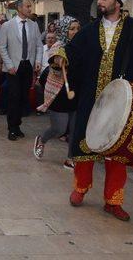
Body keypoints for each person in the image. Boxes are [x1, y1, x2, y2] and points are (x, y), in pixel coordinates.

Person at [52, 0, 133, 221]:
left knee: (118, 152)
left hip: (124, 105)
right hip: (90, 99)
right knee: (83, 147)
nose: (100, 2)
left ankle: (113, 201)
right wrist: (61, 55)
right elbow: (72, 49)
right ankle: (80, 189)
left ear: (118, 1)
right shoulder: (91, 28)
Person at [33, 16, 80, 169]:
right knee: (59, 129)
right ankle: (42, 139)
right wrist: (58, 62)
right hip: (59, 94)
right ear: (64, 30)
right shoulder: (57, 47)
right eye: (72, 29)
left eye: (77, 28)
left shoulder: (82, 46)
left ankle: (70, 158)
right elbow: (54, 60)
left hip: (77, 92)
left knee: (75, 129)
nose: (75, 31)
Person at [0, 0, 42, 141]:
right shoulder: (7, 25)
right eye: (27, 6)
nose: (30, 9)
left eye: (31, 6)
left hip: (27, 66)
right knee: (14, 97)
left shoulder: (34, 25)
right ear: (19, 8)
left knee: (23, 97)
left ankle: (17, 126)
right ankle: (11, 128)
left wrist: (37, 61)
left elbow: (39, 46)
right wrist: (9, 65)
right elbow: (2, 47)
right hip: (13, 67)